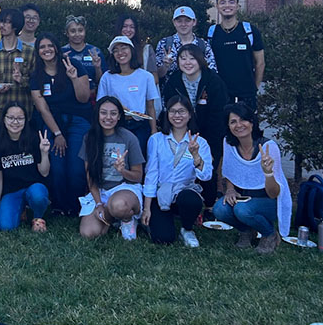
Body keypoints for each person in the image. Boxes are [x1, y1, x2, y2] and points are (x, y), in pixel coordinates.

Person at [214, 102, 291, 254]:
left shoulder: (269, 147)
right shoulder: (229, 143)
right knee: (220, 209)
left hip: (269, 202)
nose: (239, 125)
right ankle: (247, 231)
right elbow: (230, 171)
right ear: (228, 126)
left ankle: (269, 234)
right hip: (244, 198)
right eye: (233, 122)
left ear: (252, 122)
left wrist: (268, 172)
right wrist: (229, 190)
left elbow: (274, 193)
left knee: (242, 209)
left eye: (243, 120)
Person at [161, 44, 228, 213]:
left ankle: (209, 206)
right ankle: (183, 204)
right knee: (185, 166)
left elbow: (219, 113)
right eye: (183, 58)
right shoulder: (174, 80)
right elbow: (169, 108)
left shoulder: (213, 80)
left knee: (207, 165)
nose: (187, 62)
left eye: (192, 58)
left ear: (201, 60)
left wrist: (211, 143)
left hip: (210, 131)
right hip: (183, 131)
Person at [30, 33, 91, 216]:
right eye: (42, 47)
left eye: (50, 45)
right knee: (56, 165)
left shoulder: (73, 65)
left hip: (78, 120)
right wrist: (57, 134)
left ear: (56, 47)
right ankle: (58, 205)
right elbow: (43, 109)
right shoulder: (36, 75)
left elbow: (84, 98)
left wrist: (73, 78)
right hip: (53, 122)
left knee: (75, 166)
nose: (46, 50)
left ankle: (76, 205)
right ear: (38, 51)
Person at [141, 95, 212, 247]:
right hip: (162, 193)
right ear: (167, 114)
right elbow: (151, 174)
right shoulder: (156, 139)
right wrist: (146, 208)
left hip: (184, 191)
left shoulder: (201, 142)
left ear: (190, 114)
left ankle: (187, 229)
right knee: (163, 238)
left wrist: (196, 156)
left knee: (190, 199)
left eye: (182, 111)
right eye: (173, 111)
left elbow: (206, 176)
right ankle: (154, 221)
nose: (177, 116)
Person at [77, 96, 145, 241]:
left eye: (113, 113)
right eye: (104, 113)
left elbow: (138, 176)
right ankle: (113, 218)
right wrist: (99, 204)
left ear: (120, 116)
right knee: (88, 233)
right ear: (97, 115)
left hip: (125, 188)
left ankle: (127, 220)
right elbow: (90, 176)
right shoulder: (89, 138)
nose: (108, 117)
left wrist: (123, 171)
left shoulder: (129, 138)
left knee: (119, 205)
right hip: (102, 191)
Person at [0, 104, 52, 232]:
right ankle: (21, 209)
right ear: (4, 119)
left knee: (38, 196)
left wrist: (44, 153)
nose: (15, 122)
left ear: (25, 120)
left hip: (34, 187)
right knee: (6, 227)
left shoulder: (34, 138)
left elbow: (44, 173)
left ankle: (38, 218)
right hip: (12, 191)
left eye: (20, 118)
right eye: (11, 118)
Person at [97, 35, 159, 157]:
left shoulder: (146, 76)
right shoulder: (107, 77)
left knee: (139, 160)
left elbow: (150, 106)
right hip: (116, 126)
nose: (120, 53)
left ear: (131, 50)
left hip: (140, 125)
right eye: (116, 50)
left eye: (124, 48)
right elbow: (101, 104)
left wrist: (153, 130)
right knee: (117, 160)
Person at [207, 0, 266, 111]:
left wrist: (254, 88)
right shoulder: (211, 32)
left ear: (237, 6)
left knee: (247, 129)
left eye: (231, 2)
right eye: (222, 2)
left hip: (246, 96)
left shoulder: (250, 30)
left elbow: (260, 63)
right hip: (219, 95)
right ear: (216, 6)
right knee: (220, 129)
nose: (227, 5)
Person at [0, 8, 36, 124]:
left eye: (7, 22)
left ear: (15, 25)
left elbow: (37, 82)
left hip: (24, 112)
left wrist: (22, 80)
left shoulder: (29, 52)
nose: (2, 25)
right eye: (1, 21)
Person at [155, 6, 217, 90]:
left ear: (194, 22)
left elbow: (212, 73)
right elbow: (156, 75)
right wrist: (165, 66)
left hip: (198, 95)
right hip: (171, 97)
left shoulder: (203, 45)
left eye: (187, 21)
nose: (183, 24)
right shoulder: (164, 44)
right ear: (174, 22)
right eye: (179, 21)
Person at [115, 14, 159, 112]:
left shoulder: (145, 49)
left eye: (132, 27)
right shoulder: (113, 48)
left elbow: (155, 78)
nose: (128, 30)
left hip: (141, 103)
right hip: (119, 105)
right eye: (125, 26)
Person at [61, 15, 105, 101]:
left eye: (80, 30)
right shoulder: (62, 52)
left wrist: (97, 67)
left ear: (85, 31)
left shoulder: (95, 51)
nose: (77, 34)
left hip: (92, 98)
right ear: (67, 33)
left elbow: (101, 82)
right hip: (68, 99)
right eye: (73, 31)